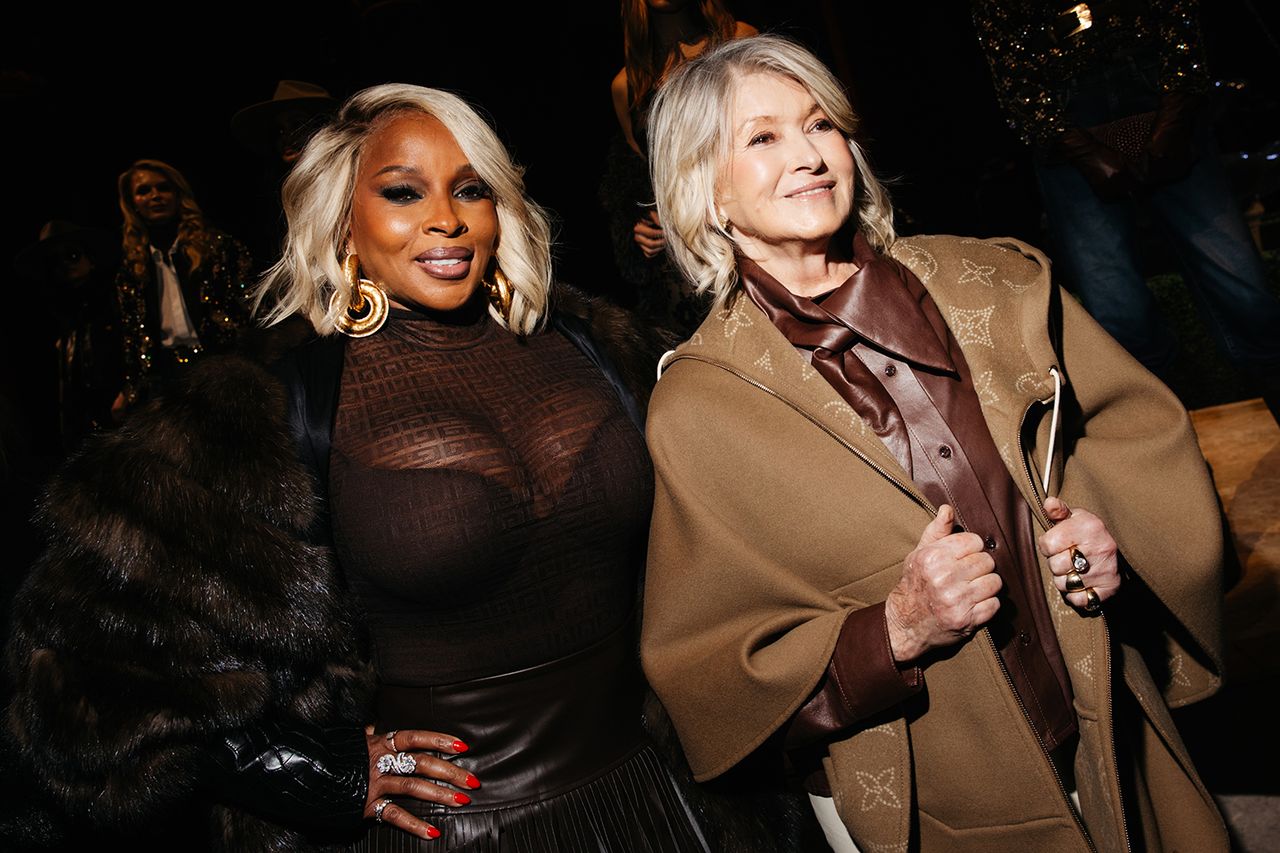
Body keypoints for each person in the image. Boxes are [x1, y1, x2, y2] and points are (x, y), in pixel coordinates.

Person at [6, 85, 711, 852]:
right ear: (343, 217)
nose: (446, 218)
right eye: (403, 192)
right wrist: (318, 772)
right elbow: (77, 674)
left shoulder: (597, 345)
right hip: (453, 825)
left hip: (658, 794)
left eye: (471, 188)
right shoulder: (262, 406)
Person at [641, 34, 1229, 852]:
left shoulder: (996, 284)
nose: (809, 155)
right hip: (935, 793)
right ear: (705, 189)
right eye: (763, 137)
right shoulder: (701, 407)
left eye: (820, 124)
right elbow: (711, 675)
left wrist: (1106, 534)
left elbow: (1137, 441)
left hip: (1108, 730)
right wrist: (896, 629)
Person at [971, 0, 1280, 421]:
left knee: (1247, 295)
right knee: (1122, 320)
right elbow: (1010, 63)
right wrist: (1081, 149)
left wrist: (1172, 121)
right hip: (1067, 121)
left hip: (1161, 93)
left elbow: (1179, 18)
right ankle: (1167, 456)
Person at [600, 0, 755, 334]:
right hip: (687, 261)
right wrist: (643, 228)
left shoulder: (739, 39)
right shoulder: (627, 85)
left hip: (750, 231)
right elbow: (644, 178)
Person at [113, 159, 254, 415]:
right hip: (166, 378)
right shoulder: (132, 267)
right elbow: (133, 335)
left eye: (163, 188)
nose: (155, 196)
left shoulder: (216, 248)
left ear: (178, 194)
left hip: (223, 367)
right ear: (132, 203)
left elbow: (247, 307)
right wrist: (131, 387)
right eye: (144, 191)